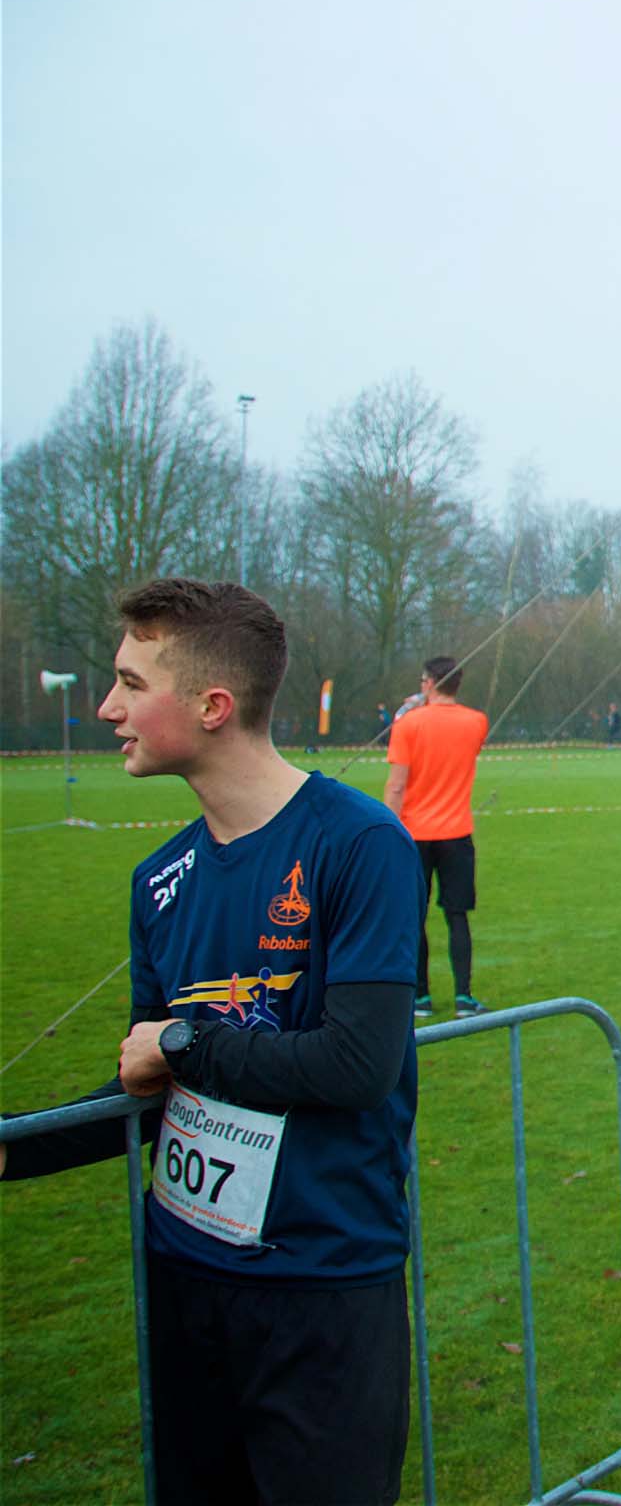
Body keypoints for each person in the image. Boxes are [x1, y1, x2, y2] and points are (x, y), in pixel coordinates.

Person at [0, 579, 420, 1504]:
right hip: (184, 1278)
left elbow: (356, 1066)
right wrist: (13, 1148)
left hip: (320, 1283)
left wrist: (186, 1044)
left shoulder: (360, 845)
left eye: (129, 684)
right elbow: (149, 1086)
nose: (106, 708)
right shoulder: (160, 880)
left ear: (212, 706)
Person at [385, 655, 490, 1018]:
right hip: (456, 834)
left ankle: (421, 997)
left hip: (415, 834)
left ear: (429, 683)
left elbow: (396, 785)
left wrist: (387, 830)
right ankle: (464, 997)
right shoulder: (476, 722)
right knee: (457, 916)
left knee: (415, 916)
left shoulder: (408, 724)